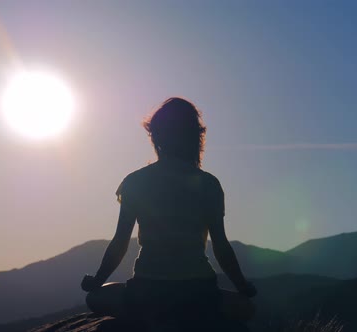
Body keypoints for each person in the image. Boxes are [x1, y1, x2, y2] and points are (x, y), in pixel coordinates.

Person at [81, 97, 257, 326]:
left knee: (96, 298)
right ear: (196, 137)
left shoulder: (135, 181)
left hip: (147, 293)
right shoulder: (209, 184)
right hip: (199, 294)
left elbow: (120, 242)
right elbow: (221, 246)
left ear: (156, 136)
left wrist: (98, 280)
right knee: (247, 309)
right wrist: (243, 286)